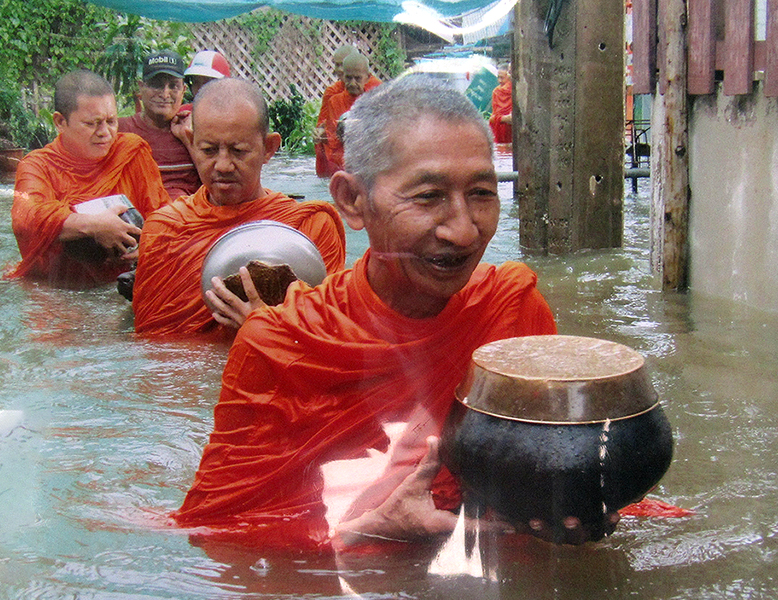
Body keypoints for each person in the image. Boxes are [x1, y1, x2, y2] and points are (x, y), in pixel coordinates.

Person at [169, 76, 619, 553]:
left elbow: (556, 475)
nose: (464, 231)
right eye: (427, 197)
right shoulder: (279, 343)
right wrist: (371, 526)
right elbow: (220, 539)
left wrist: (582, 507)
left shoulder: (509, 308)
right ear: (352, 201)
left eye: (483, 193)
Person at [131, 78, 346, 338]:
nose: (222, 165)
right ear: (191, 141)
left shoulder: (308, 228)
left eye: (238, 151)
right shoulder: (164, 230)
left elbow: (331, 338)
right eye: (209, 150)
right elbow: (152, 348)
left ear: (269, 148)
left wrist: (265, 330)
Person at [9, 70, 171, 289]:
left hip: (124, 282)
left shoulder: (132, 152)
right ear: (60, 122)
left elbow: (163, 217)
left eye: (111, 121)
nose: (105, 132)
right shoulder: (36, 165)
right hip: (58, 288)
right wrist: (93, 226)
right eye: (92, 123)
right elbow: (25, 218)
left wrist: (149, 245)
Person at [119, 51, 202, 200]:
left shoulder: (196, 128)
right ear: (141, 87)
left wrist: (188, 140)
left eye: (173, 86)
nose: (165, 94)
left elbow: (216, 185)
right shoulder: (120, 130)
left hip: (189, 217)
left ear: (183, 90)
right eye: (156, 85)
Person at [313, 45, 381, 178]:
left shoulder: (376, 92)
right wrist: (325, 135)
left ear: (367, 77)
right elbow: (328, 135)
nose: (352, 83)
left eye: (357, 78)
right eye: (349, 77)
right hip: (344, 160)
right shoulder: (333, 98)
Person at [488, 64, 513, 144]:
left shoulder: (516, 90)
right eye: (498, 77)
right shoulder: (497, 92)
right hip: (501, 129)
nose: (499, 81)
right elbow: (494, 115)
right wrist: (503, 119)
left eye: (502, 77)